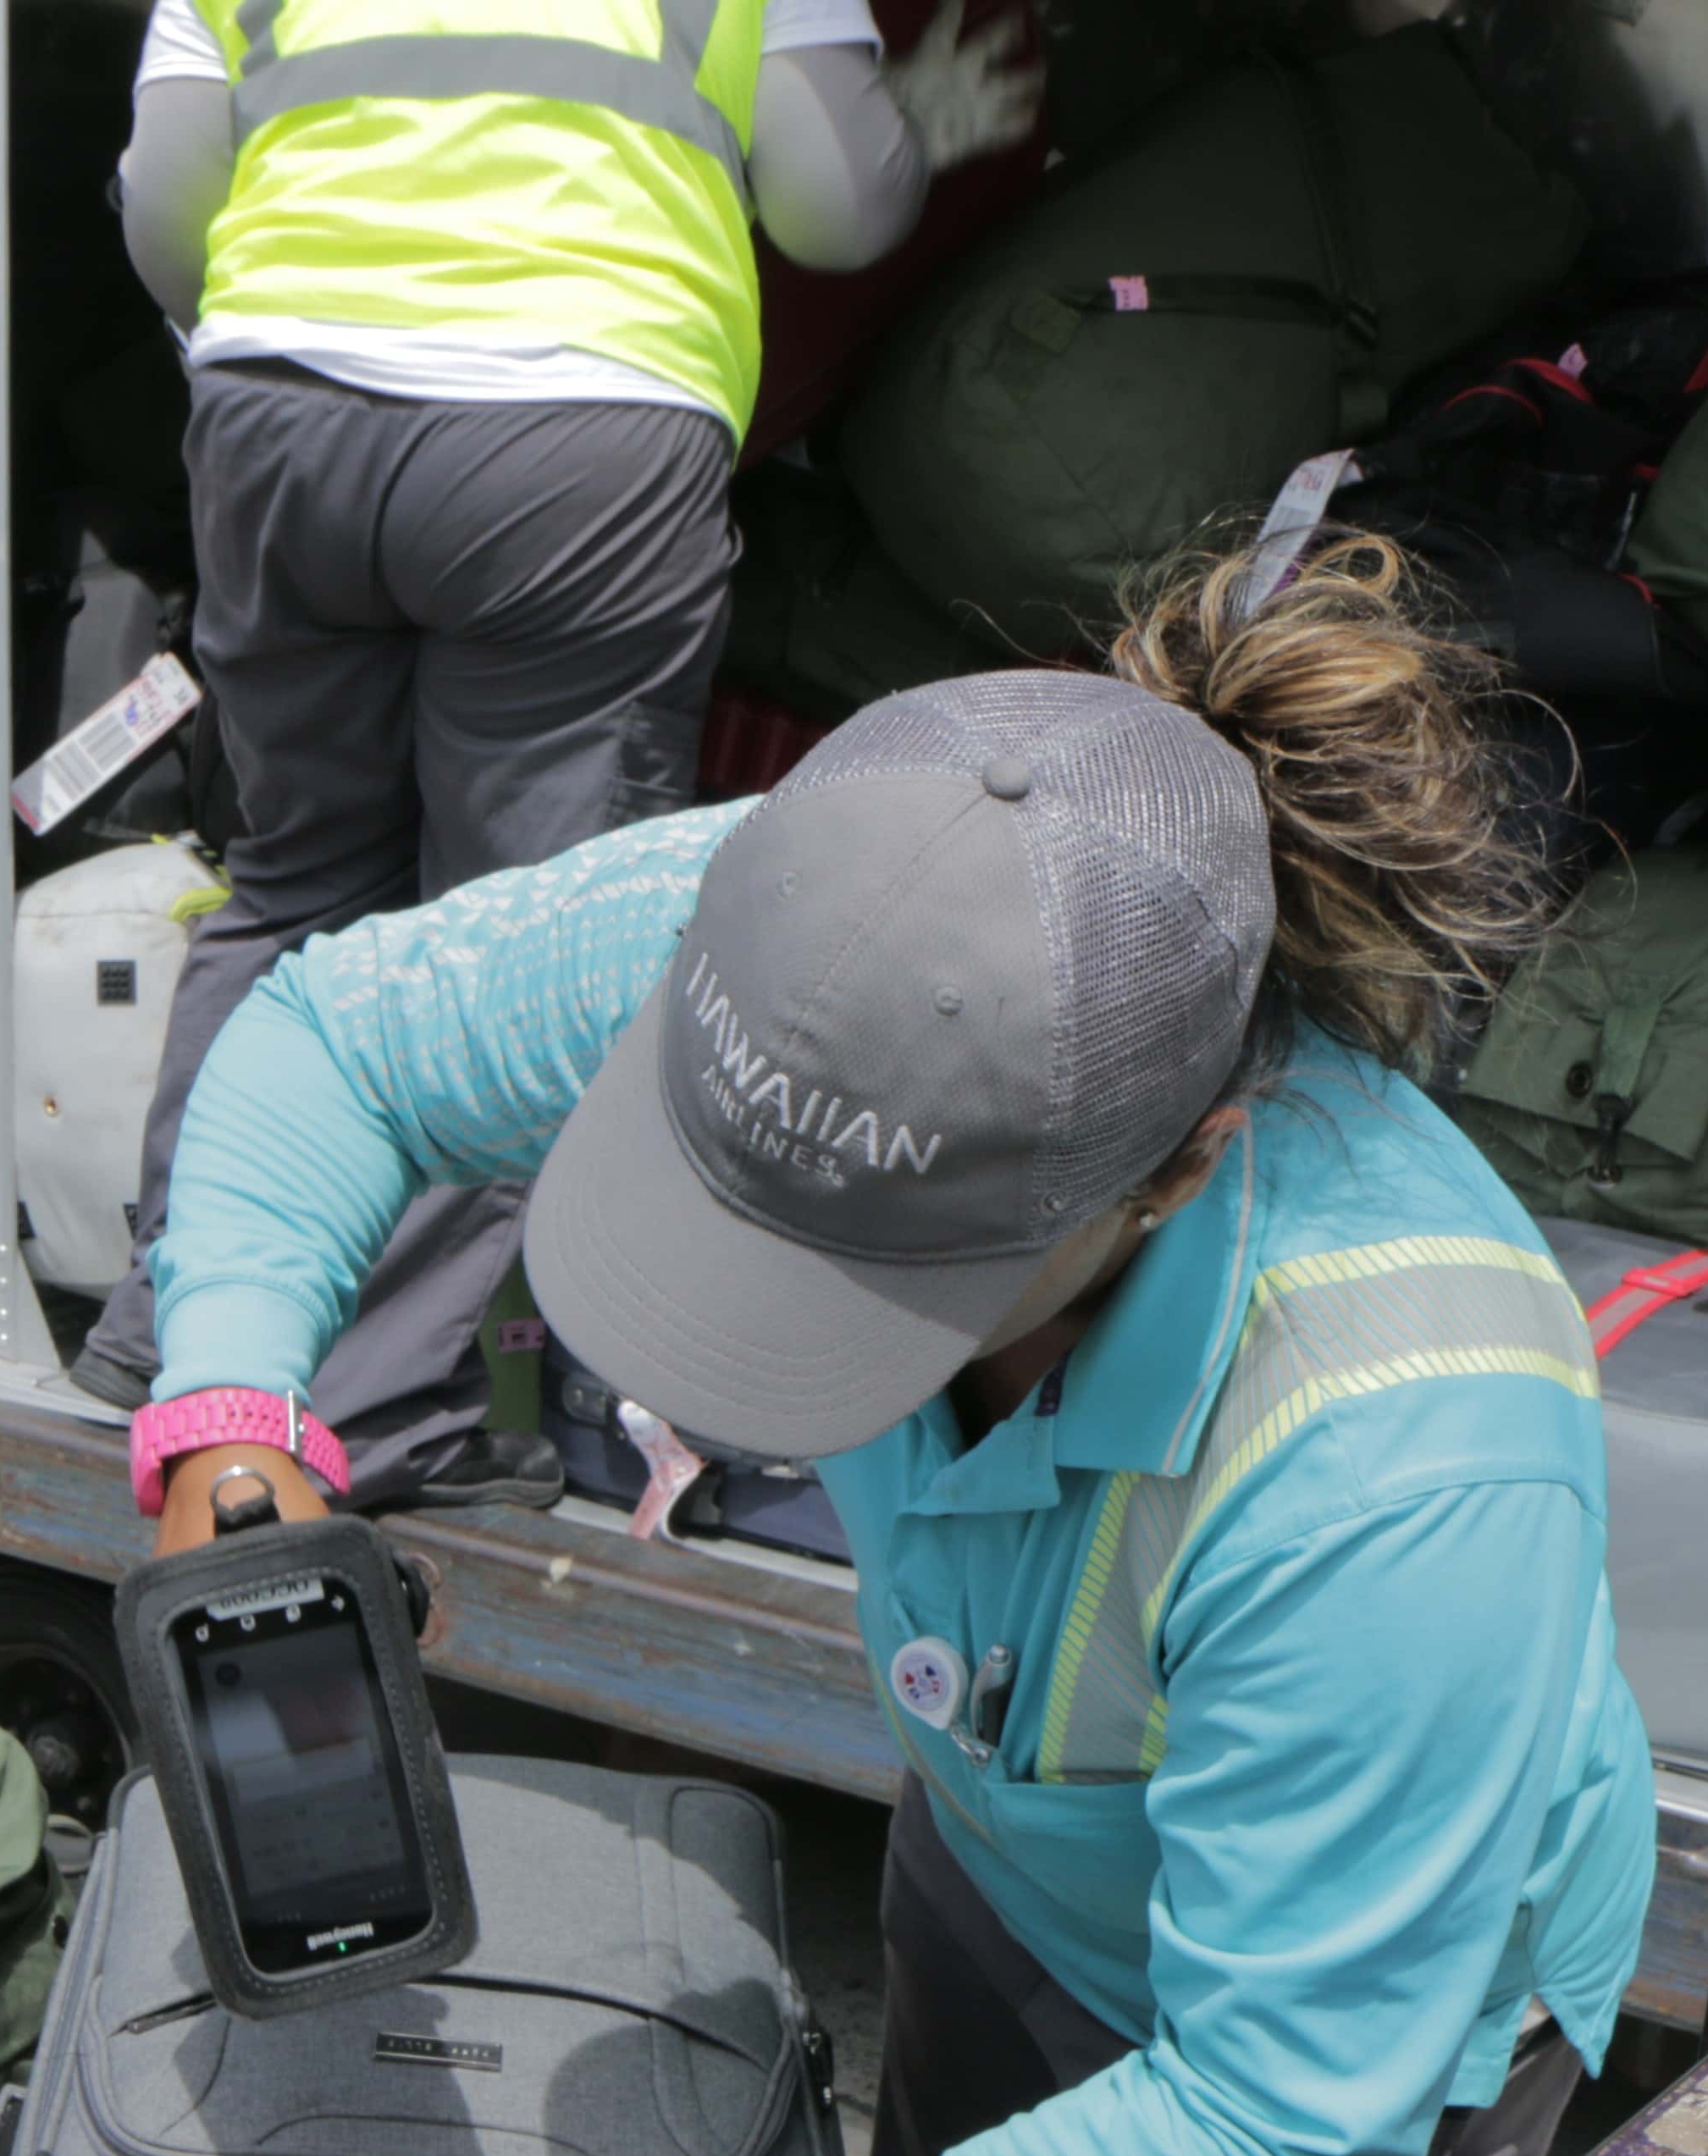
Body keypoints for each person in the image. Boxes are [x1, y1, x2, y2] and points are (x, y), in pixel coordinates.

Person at [128, 533, 1661, 2156]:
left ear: (1181, 1166)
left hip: (1349, 2072)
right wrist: (229, 1412)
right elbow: (334, 1046)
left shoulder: (1402, 1460)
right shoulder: (819, 946)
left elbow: (1278, 2115)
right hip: (1020, 1817)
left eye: (869, 1289)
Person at [80, 0, 1042, 1502]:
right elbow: (842, 209)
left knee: (289, 883)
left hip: (282, 423)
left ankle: (191, 1348)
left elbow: (165, 209)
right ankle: (386, 1419)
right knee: (511, 931)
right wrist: (918, 116)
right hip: (579, 424)